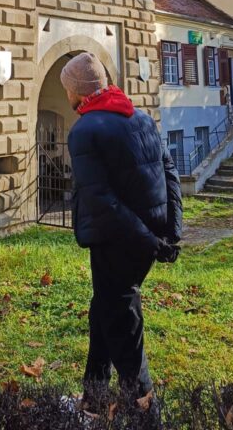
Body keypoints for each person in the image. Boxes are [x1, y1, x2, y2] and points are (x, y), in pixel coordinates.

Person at [61, 51, 182, 415]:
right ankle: (93, 403)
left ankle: (147, 413)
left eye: (66, 87)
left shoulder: (84, 130)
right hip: (144, 239)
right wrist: (170, 233)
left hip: (119, 242)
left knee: (125, 331)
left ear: (78, 92)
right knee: (105, 314)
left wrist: (151, 240)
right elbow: (170, 171)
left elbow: (102, 202)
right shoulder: (140, 117)